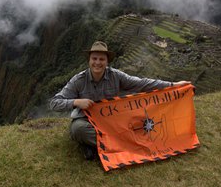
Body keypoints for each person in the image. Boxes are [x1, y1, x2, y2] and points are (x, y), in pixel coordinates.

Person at [49, 41, 191, 160]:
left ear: (107, 61)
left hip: (113, 122)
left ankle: (98, 146)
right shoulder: (79, 80)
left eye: (101, 59)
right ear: (89, 60)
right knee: (78, 130)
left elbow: (142, 83)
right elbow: (54, 103)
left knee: (143, 123)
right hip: (88, 121)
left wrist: (173, 85)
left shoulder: (116, 76)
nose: (97, 62)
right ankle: (115, 144)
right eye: (94, 59)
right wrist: (76, 102)